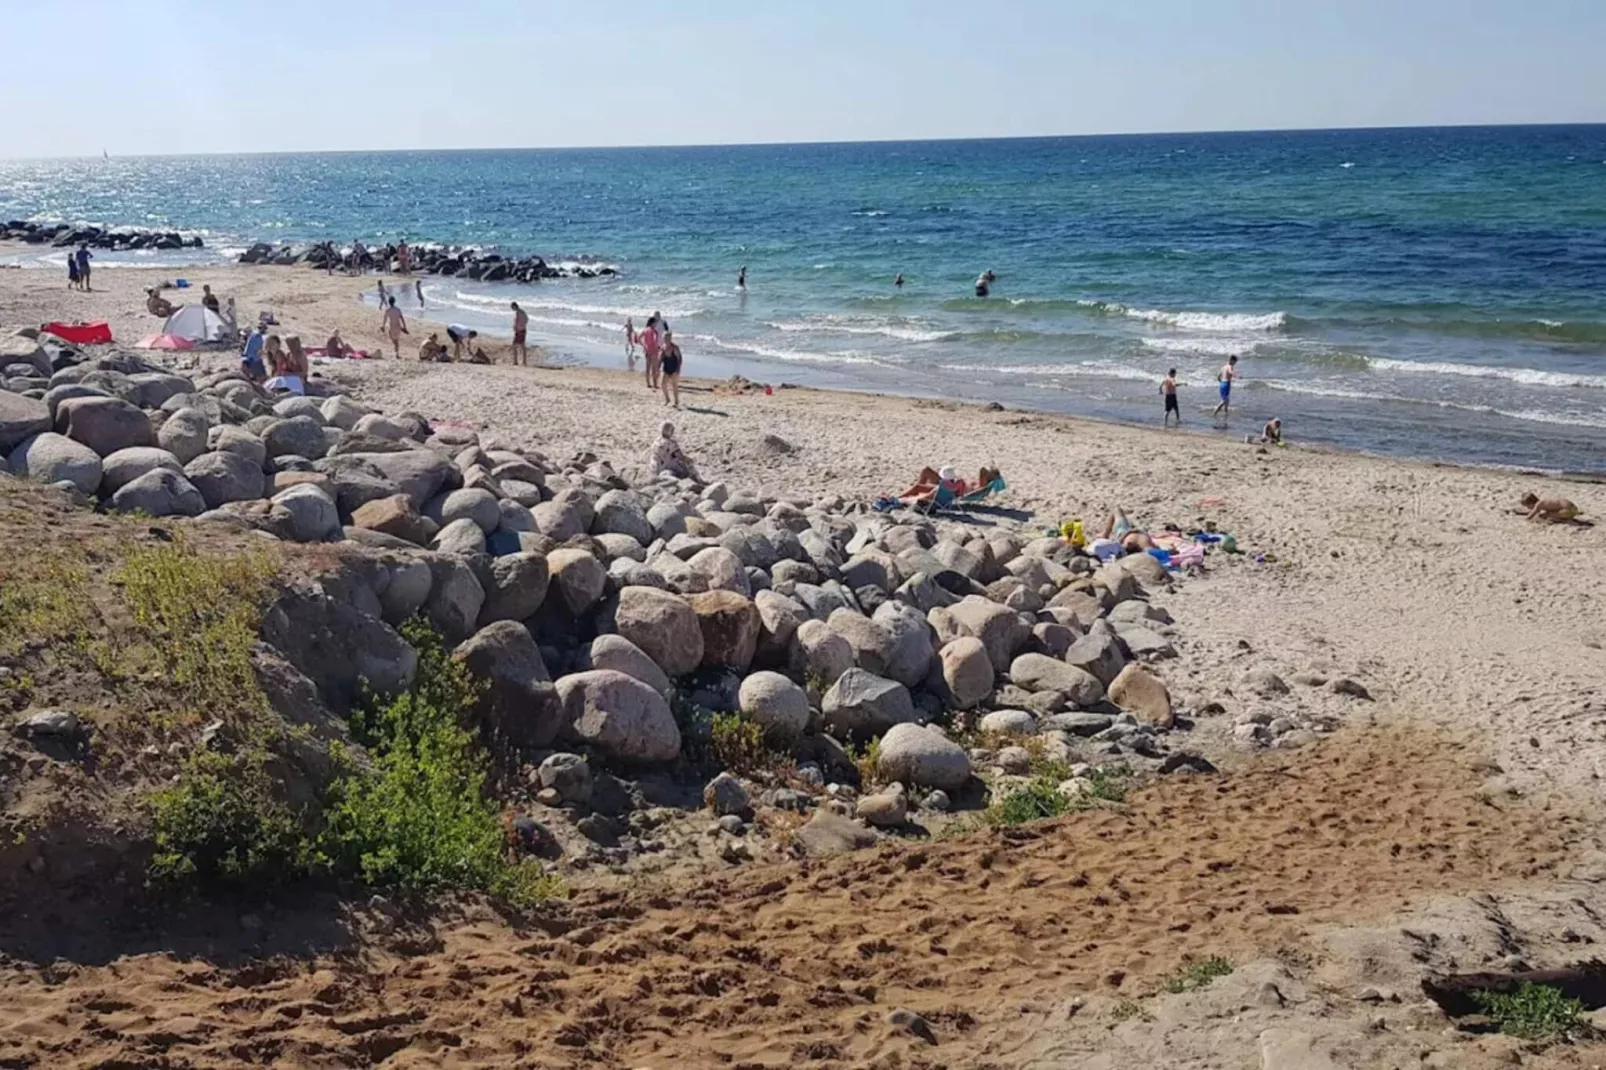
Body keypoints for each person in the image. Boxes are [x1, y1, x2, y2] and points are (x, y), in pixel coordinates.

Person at [660, 330, 684, 408]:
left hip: (674, 368)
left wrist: (678, 369)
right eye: (665, 338)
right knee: (663, 384)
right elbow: (661, 358)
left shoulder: (675, 347)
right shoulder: (663, 347)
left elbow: (680, 358)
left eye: (668, 338)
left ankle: (676, 402)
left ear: (670, 338)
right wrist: (658, 366)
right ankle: (667, 399)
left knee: (674, 386)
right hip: (666, 368)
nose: (666, 339)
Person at [640, 316, 662, 389]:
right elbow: (655, 340)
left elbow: (639, 338)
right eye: (655, 323)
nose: (656, 324)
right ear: (652, 323)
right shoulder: (654, 331)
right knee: (654, 368)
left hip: (647, 350)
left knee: (648, 367)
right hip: (654, 350)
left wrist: (643, 345)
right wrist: (659, 347)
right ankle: (655, 384)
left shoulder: (645, 330)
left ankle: (648, 383)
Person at [511, 301, 529, 365]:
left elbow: (517, 322)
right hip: (523, 330)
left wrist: (516, 328)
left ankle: (516, 361)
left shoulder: (518, 313)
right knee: (522, 346)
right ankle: (524, 361)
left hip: (519, 331)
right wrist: (523, 326)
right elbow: (527, 319)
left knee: (514, 345)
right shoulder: (522, 312)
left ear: (514, 307)